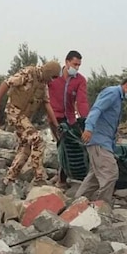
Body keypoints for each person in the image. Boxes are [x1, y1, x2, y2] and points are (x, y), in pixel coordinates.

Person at [0, 60, 62, 186]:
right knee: (37, 140)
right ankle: (39, 177)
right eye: (53, 77)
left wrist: (56, 125)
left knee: (25, 148)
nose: (53, 80)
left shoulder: (43, 84)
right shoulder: (29, 73)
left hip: (24, 117)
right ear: (48, 72)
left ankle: (9, 179)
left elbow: (46, 104)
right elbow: (6, 83)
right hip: (14, 112)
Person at [75, 75, 127, 204]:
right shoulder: (112, 93)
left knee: (95, 177)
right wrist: (89, 128)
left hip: (104, 142)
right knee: (110, 173)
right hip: (99, 141)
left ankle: (76, 202)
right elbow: (97, 109)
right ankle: (102, 206)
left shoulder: (118, 99)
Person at [48, 50, 89, 187]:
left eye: (78, 65)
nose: (76, 68)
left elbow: (82, 101)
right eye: (74, 64)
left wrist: (85, 120)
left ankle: (61, 174)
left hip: (70, 118)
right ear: (66, 62)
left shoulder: (80, 80)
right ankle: (61, 179)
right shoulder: (53, 77)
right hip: (54, 117)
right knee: (62, 144)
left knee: (70, 144)